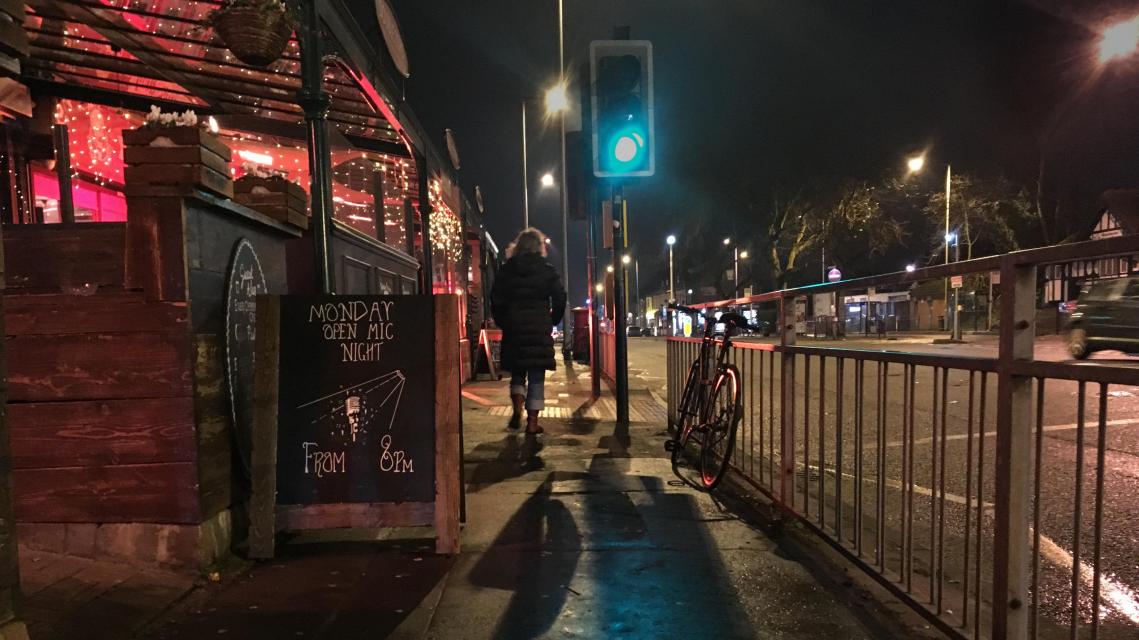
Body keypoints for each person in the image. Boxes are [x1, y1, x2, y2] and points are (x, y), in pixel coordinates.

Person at [490, 228, 567, 434]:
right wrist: (552, 320)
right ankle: (532, 423)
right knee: (536, 376)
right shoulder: (547, 270)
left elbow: (496, 299)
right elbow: (560, 297)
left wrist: (503, 321)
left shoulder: (507, 270)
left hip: (514, 327)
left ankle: (517, 409)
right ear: (539, 247)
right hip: (539, 327)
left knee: (517, 372)